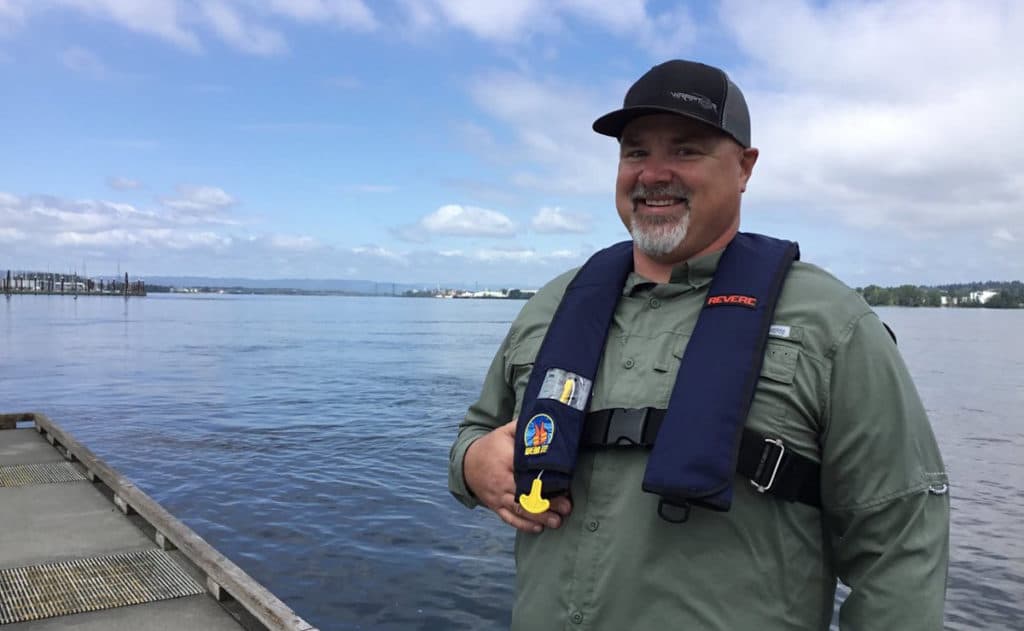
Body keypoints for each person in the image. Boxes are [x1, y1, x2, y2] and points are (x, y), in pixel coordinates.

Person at [448, 59, 949, 631]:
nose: (654, 173)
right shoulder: (553, 305)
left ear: (745, 167)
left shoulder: (833, 325)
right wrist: (471, 464)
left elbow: (901, 543)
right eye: (636, 152)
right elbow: (476, 429)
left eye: (686, 150)